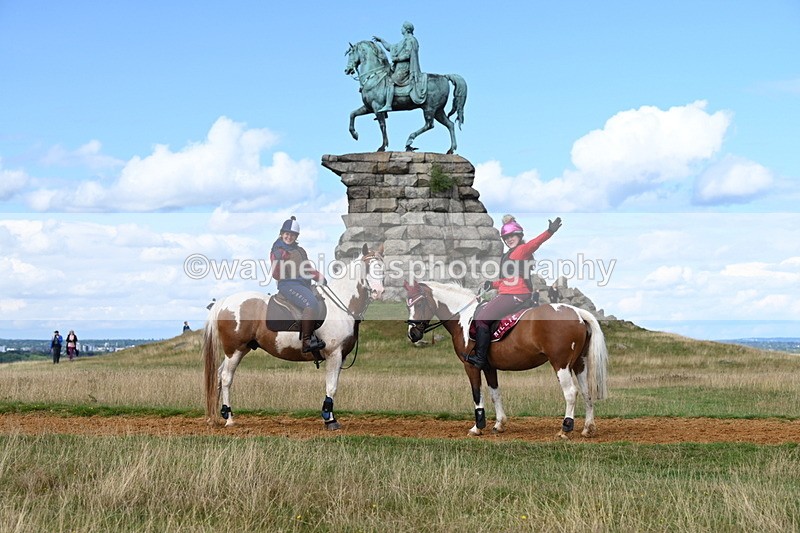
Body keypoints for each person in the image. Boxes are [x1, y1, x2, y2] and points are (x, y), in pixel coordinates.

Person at [465, 215, 563, 370]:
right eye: (506, 237)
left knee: (482, 319)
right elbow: (508, 280)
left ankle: (480, 358)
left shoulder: (521, 250)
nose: (509, 239)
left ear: (519, 235)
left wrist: (549, 231)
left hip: (514, 295)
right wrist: (492, 284)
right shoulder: (508, 255)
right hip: (508, 292)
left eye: (512, 235)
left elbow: (535, 243)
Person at [270, 216, 327, 353]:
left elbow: (306, 268)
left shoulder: (300, 251)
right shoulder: (277, 251)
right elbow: (276, 275)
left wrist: (319, 276)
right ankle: (307, 342)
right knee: (310, 303)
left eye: (292, 235)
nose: (289, 237)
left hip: (303, 284)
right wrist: (278, 262)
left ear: (296, 237)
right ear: (282, 233)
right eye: (287, 234)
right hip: (287, 284)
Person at [372, 21, 426, 112]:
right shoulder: (403, 41)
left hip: (405, 68)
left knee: (389, 81)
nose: (401, 29)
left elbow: (408, 54)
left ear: (406, 29)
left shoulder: (410, 40)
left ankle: (388, 105)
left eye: (402, 28)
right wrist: (382, 41)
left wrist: (397, 59)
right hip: (399, 68)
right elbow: (391, 47)